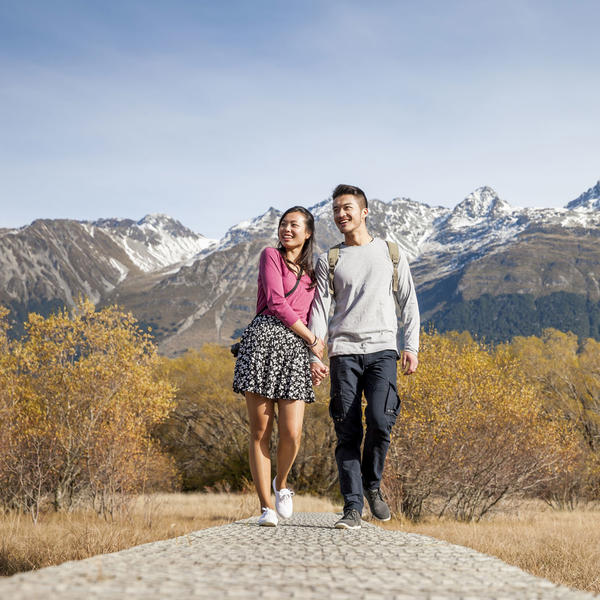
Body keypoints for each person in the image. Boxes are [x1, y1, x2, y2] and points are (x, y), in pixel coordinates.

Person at [309, 184, 420, 530]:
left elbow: (408, 301)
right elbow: (320, 309)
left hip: (383, 351)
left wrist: (411, 346)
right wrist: (317, 352)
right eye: (336, 210)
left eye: (347, 208)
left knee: (380, 420)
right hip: (343, 353)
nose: (341, 215)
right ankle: (353, 506)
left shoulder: (390, 252)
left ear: (364, 211)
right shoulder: (330, 258)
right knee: (346, 431)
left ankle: (372, 484)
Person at [233, 206, 325, 527]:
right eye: (283, 224)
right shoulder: (270, 255)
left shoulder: (315, 273)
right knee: (260, 431)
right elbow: (275, 301)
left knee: (292, 432)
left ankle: (281, 483)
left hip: (295, 352)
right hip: (262, 344)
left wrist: (315, 353)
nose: (287, 229)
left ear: (308, 232)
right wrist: (311, 338)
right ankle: (265, 507)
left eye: (294, 225)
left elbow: (318, 315)